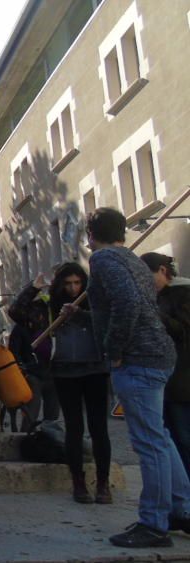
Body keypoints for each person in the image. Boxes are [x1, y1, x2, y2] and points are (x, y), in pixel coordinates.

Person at [85, 208, 190, 548]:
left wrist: (114, 348)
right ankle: (180, 510)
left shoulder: (103, 260)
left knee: (149, 443)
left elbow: (128, 304)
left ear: (91, 235)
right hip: (157, 355)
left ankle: (154, 524)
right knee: (161, 438)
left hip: (138, 358)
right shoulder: (132, 259)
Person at [40, 262, 113, 504]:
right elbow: (19, 311)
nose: (73, 288)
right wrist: (33, 288)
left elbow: (105, 324)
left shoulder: (95, 300)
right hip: (64, 372)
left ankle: (103, 483)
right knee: (74, 428)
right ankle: (78, 482)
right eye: (68, 283)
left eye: (77, 283)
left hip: (95, 369)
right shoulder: (51, 304)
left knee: (99, 428)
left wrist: (79, 314)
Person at [142, 252, 190, 477]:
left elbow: (183, 331)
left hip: (183, 381)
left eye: (147, 275)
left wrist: (155, 315)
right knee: (169, 439)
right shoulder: (155, 296)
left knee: (184, 440)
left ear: (162, 270)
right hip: (162, 381)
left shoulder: (183, 292)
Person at [7, 272, 59, 427]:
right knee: (31, 412)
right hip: (33, 372)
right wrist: (34, 288)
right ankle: (27, 440)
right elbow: (15, 310)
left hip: (54, 370)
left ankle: (51, 442)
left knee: (53, 415)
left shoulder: (58, 307)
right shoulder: (29, 317)